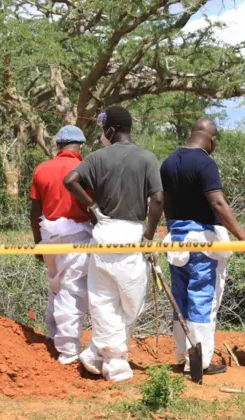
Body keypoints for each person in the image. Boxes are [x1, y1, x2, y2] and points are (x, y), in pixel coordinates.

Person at [64, 106, 164, 382]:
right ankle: (115, 362)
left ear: (112, 129)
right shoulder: (146, 157)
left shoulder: (96, 158)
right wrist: (150, 236)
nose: (101, 135)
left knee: (103, 300)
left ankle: (99, 352)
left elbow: (70, 180)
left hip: (103, 232)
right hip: (131, 235)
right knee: (131, 302)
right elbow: (157, 199)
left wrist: (93, 207)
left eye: (103, 129)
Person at [160, 117, 245, 375]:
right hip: (203, 243)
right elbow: (218, 204)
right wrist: (244, 238)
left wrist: (173, 230)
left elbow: (165, 202)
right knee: (203, 299)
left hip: (177, 241)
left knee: (180, 301)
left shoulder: (168, 162)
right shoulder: (205, 163)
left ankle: (183, 355)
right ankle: (199, 362)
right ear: (212, 139)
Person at [29, 125, 92, 365]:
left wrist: (38, 244)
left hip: (48, 234)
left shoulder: (42, 169)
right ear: (80, 146)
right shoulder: (84, 168)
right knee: (72, 289)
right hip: (77, 234)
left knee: (55, 284)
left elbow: (35, 211)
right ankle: (68, 350)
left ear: (58, 146)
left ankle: (53, 334)